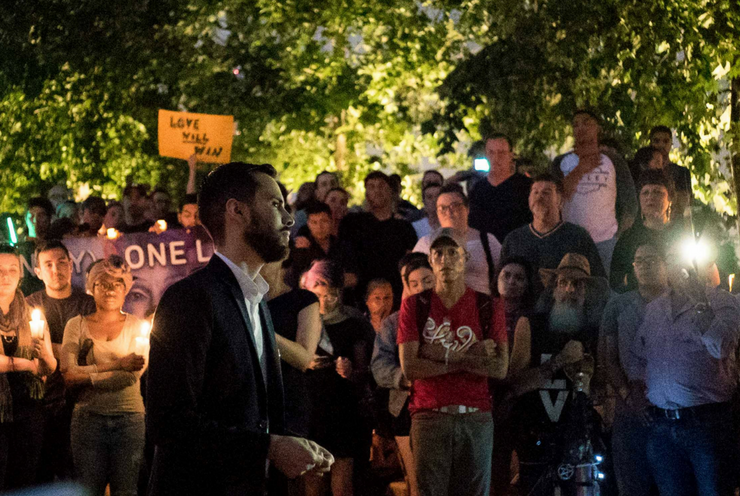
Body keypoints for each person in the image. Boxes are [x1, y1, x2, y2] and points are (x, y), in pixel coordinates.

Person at [146, 162, 333, 495]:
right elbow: (169, 424)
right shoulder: (189, 299)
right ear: (237, 211)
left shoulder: (257, 300)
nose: (290, 219)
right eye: (276, 205)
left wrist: (283, 444)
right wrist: (268, 449)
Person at [398, 229, 509, 496]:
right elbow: (410, 368)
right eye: (438, 253)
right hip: (429, 416)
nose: (445, 259)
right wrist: (470, 355)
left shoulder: (488, 306)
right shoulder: (415, 306)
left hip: (476, 417)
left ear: (465, 257)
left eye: (452, 252)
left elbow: (500, 368)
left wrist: (437, 354)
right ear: (430, 260)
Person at [632, 242, 739, 496]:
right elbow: (640, 356)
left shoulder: (723, 302)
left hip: (707, 425)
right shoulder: (654, 309)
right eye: (670, 260)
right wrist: (635, 394)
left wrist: (700, 302)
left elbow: (722, 347)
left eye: (682, 259)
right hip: (662, 429)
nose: (677, 266)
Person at [507, 253, 610, 496]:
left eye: (578, 284)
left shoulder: (594, 332)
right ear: (553, 289)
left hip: (579, 442)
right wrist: (560, 361)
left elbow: (603, 389)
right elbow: (515, 385)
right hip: (535, 436)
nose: (570, 289)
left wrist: (593, 388)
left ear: (587, 292)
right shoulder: (531, 324)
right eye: (564, 282)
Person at [60, 256, 147, 496]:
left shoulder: (137, 327)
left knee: (126, 490)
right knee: (89, 490)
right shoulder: (75, 325)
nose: (109, 290)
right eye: (102, 284)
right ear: (91, 288)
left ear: (126, 288)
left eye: (117, 284)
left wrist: (84, 374)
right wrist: (119, 363)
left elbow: (130, 377)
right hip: (88, 419)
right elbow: (68, 373)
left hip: (129, 420)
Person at [599, 243, 667, 496]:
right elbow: (609, 359)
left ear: (664, 264)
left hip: (672, 415)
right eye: (639, 261)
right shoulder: (618, 306)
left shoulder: (682, 304)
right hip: (629, 414)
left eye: (652, 259)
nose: (645, 265)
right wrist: (628, 396)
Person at [26, 240, 96, 484]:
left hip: (84, 400)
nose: (55, 270)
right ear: (38, 272)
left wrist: (51, 346)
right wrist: (71, 348)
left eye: (61, 263)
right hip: (43, 401)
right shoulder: (30, 305)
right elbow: (30, 348)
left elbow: (92, 349)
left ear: (71, 265)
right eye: (48, 264)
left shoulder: (88, 304)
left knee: (82, 474)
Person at [303, 260, 375, 496]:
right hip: (312, 409)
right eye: (318, 295)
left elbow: (364, 373)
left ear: (339, 294)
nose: (323, 302)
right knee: (314, 480)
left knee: (342, 481)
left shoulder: (353, 322)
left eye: (330, 296)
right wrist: (303, 360)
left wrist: (350, 371)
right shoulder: (302, 319)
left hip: (343, 411)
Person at [371, 253, 435, 496]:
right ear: (406, 287)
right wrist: (405, 377)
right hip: (407, 406)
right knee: (418, 480)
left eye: (427, 281)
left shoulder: (453, 316)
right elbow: (379, 367)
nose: (421, 289)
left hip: (446, 405)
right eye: (414, 284)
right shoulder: (393, 323)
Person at [550, 110, 638, 273]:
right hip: (569, 242)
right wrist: (579, 170)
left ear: (598, 128)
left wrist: (617, 237)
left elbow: (630, 202)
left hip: (606, 243)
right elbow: (555, 200)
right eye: (576, 124)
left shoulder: (613, 161)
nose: (581, 128)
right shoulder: (561, 162)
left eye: (586, 122)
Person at [0, 244, 56, 490]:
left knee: (24, 481)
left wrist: (43, 357)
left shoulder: (33, 315)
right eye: (0, 270)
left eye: (12, 270)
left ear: (20, 275)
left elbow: (49, 368)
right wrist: (26, 364)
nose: (6, 276)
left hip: (28, 411)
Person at [501, 173, 606, 286]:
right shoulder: (514, 240)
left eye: (546, 193)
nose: (539, 197)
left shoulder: (578, 237)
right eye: (535, 192)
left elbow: (598, 282)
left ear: (560, 201)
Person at [488, 256, 536, 496]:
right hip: (486, 394)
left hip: (521, 398)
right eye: (506, 275)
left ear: (527, 284)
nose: (512, 281)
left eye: (519, 277)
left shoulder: (532, 317)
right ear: (496, 279)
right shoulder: (483, 312)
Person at [338, 171, 417, 309]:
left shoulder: (404, 227)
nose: (377, 190)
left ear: (391, 191)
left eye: (381, 186)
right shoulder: (352, 224)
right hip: (359, 299)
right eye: (371, 187)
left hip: (395, 298)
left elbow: (411, 263)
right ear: (366, 193)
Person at [263, 259, 322, 439]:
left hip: (288, 400)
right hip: (252, 400)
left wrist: (262, 328)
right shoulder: (243, 301)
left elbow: (303, 358)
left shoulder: (303, 300)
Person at [414, 184, 501, 295]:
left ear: (467, 209)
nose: (448, 212)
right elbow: (412, 282)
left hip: (480, 308)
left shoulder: (487, 241)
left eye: (454, 206)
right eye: (442, 208)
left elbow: (502, 278)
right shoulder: (426, 244)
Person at [609, 169, 686, 293]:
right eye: (645, 193)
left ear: (669, 198)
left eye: (657, 192)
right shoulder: (629, 239)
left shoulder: (680, 235)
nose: (650, 197)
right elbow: (616, 280)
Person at [468, 133, 533, 243]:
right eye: (491, 152)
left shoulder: (527, 187)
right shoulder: (478, 190)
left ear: (511, 155)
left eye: (501, 153)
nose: (496, 158)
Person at [290, 202, 357, 289]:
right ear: (308, 224)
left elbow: (353, 279)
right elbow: (298, 280)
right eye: (314, 222)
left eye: (324, 221)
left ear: (331, 221)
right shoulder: (302, 248)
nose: (319, 227)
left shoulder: (343, 246)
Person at [649, 126, 692, 219]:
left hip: (674, 225)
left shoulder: (682, 172)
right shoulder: (644, 170)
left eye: (665, 141)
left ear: (671, 144)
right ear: (650, 143)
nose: (661, 145)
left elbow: (685, 203)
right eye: (656, 141)